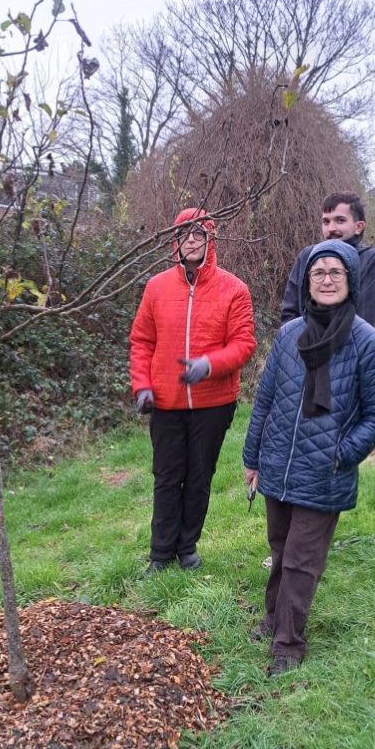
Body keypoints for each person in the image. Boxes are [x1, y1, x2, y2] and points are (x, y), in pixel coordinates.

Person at [243, 239, 375, 676]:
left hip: (324, 473)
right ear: (308, 282)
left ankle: (288, 644)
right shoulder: (290, 334)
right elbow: (265, 399)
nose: (327, 280)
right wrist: (253, 457)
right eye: (318, 273)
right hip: (278, 465)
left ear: (351, 280)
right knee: (279, 549)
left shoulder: (366, 342)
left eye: (335, 272)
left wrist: (341, 455)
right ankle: (273, 618)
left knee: (301, 561)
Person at [130, 207, 256, 573]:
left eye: (199, 233)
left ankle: (187, 548)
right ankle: (160, 554)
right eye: (184, 234)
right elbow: (142, 341)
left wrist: (209, 365)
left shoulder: (234, 289)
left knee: (199, 477)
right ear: (175, 241)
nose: (191, 240)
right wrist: (142, 386)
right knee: (167, 477)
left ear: (210, 239)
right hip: (166, 402)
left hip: (213, 403)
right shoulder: (156, 287)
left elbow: (244, 343)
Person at [280, 192, 375, 326]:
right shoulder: (307, 255)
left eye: (340, 220)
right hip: (302, 337)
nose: (331, 228)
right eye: (326, 222)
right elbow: (290, 311)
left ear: (358, 227)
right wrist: (295, 336)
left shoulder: (371, 260)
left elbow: (363, 318)